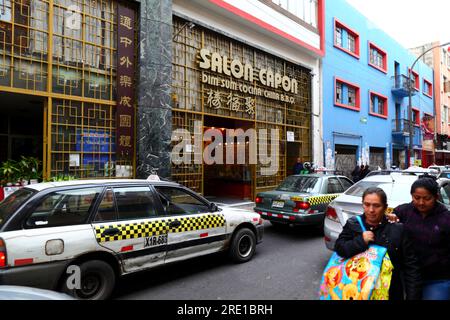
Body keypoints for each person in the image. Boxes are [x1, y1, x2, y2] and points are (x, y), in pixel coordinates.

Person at [335, 187, 422, 300]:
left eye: (376, 205)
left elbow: (411, 267)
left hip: (390, 292)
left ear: (385, 207)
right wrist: (361, 241)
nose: (371, 210)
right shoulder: (354, 224)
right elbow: (340, 249)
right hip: (358, 292)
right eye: (367, 204)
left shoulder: (397, 229)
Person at [389, 177, 450, 300]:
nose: (421, 202)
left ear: (436, 197)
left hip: (437, 278)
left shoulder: (446, 218)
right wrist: (389, 220)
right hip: (407, 276)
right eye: (417, 198)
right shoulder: (402, 212)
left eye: (427, 198)